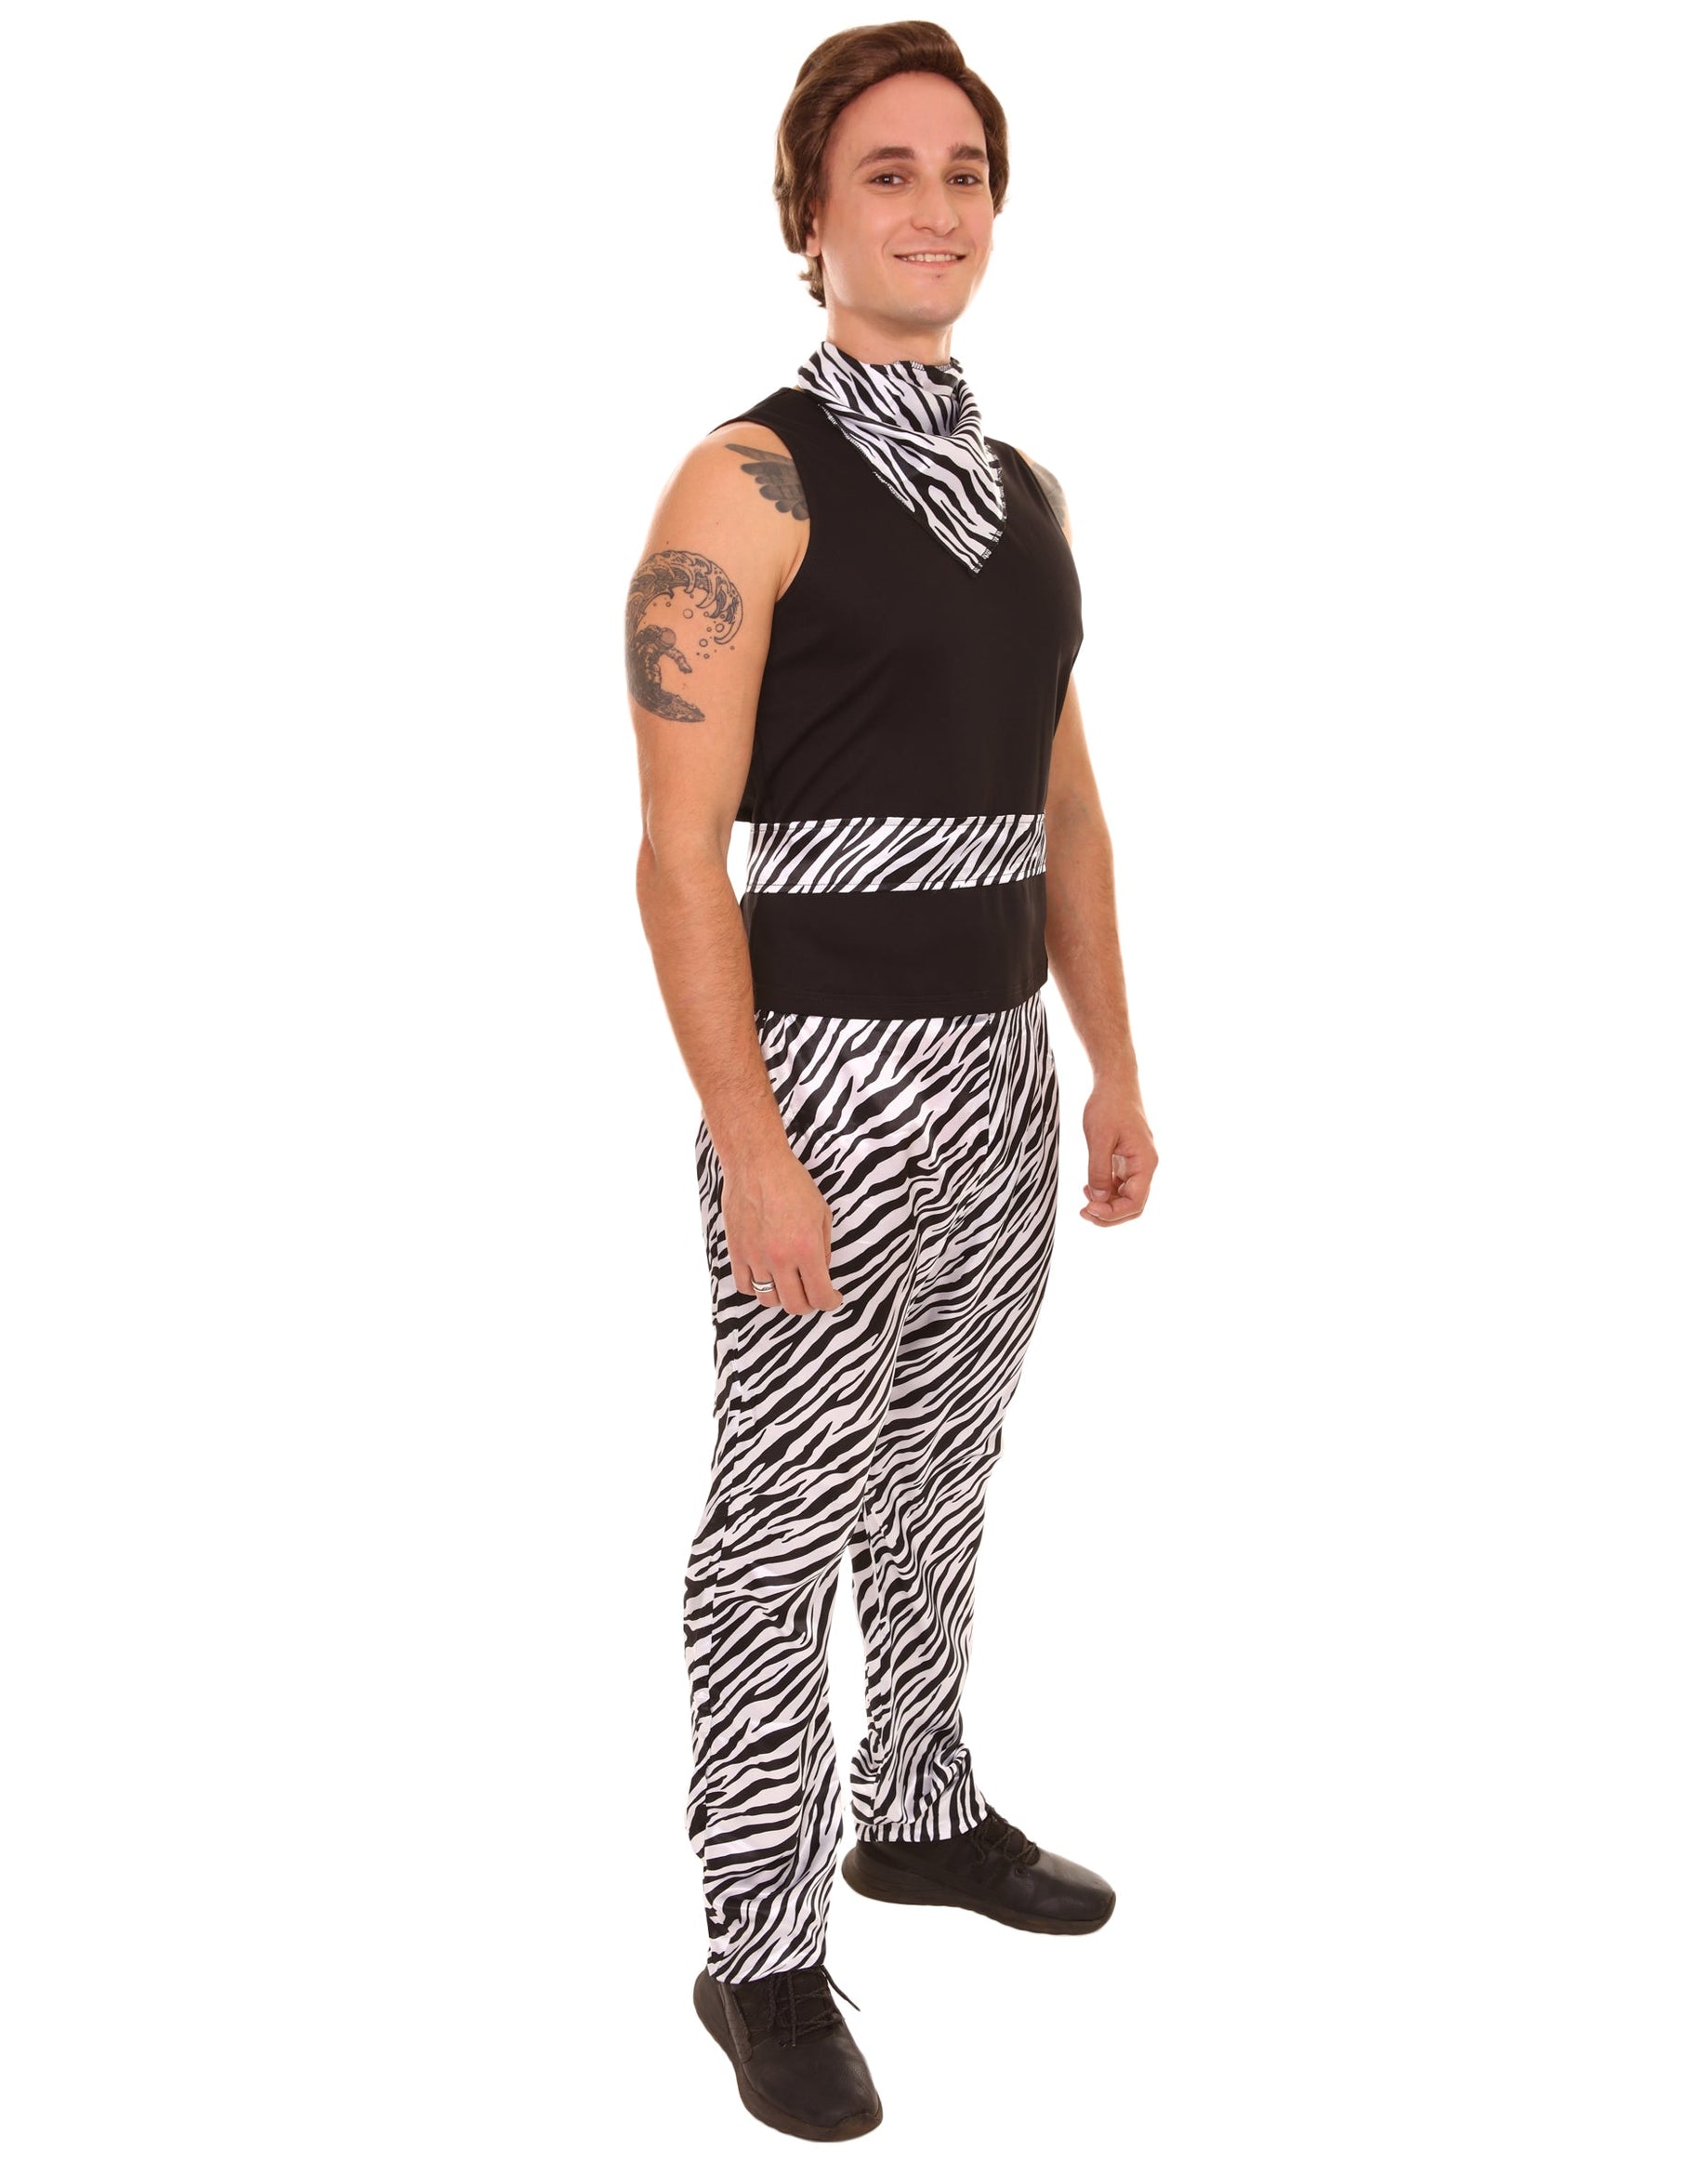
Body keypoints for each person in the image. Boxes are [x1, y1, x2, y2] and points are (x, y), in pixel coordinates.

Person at [627, 21, 1158, 2141]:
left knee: (941, 1464)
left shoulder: (1028, 495)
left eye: (964, 173)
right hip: (825, 1076)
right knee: (783, 1510)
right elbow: (678, 856)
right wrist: (750, 1146)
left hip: (1001, 1064)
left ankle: (917, 1810)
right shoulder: (743, 486)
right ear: (809, 213)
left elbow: (1064, 809)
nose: (934, 208)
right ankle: (754, 1945)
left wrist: (1110, 1065)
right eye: (887, 173)